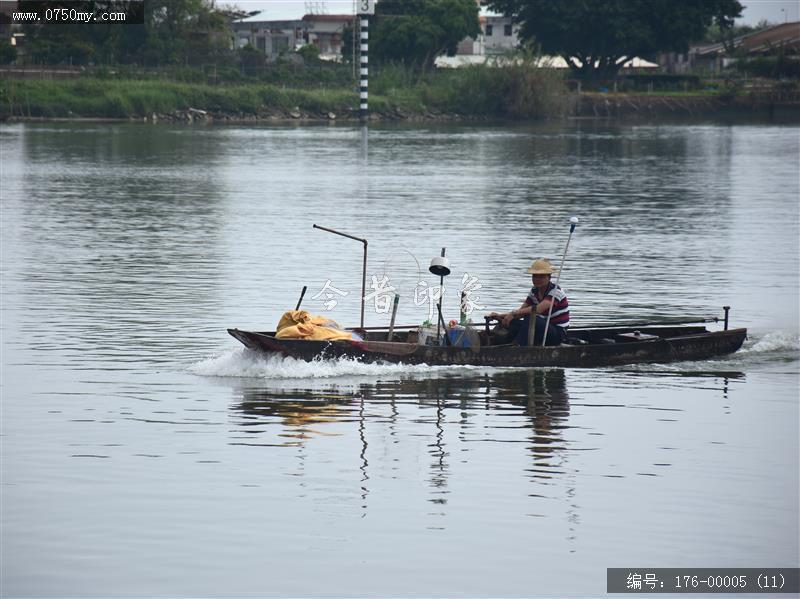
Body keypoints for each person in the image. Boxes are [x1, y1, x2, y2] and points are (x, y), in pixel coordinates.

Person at [489, 258, 569, 346]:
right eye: (535, 276)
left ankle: (518, 346)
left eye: (541, 276)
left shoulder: (556, 291)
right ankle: (500, 343)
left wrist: (512, 314)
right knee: (514, 322)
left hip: (556, 333)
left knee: (530, 317)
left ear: (549, 277)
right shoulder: (534, 291)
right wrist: (501, 316)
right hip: (542, 330)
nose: (537, 279)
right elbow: (520, 312)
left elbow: (538, 309)